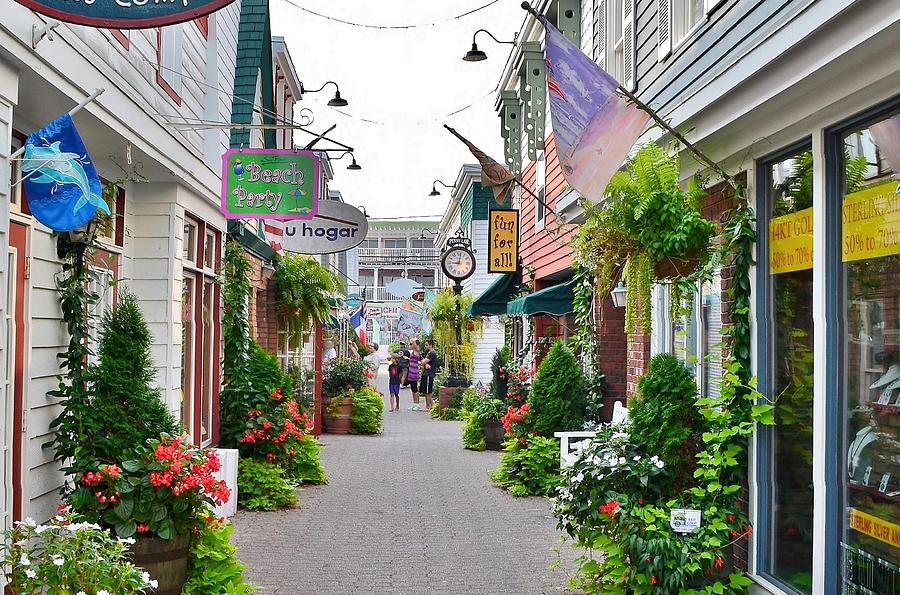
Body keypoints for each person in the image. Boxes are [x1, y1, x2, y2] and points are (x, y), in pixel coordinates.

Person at [419, 339, 439, 411]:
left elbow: (423, 361)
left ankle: (428, 406)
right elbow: (423, 362)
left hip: (429, 374)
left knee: (428, 391)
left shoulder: (432, 353)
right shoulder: (428, 353)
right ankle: (432, 406)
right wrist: (425, 363)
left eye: (427, 345)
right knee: (426, 391)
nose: (425, 346)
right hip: (426, 373)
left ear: (431, 345)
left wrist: (424, 362)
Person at [406, 339, 421, 410]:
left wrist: (413, 341)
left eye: (413, 343)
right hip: (411, 371)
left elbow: (414, 347)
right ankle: (414, 403)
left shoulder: (417, 350)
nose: (411, 344)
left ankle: (417, 404)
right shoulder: (413, 351)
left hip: (414, 372)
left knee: (415, 389)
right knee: (412, 389)